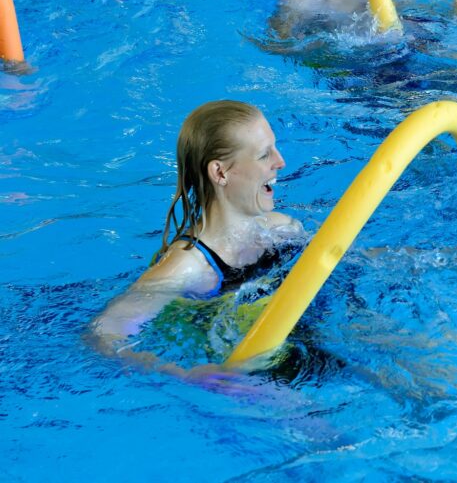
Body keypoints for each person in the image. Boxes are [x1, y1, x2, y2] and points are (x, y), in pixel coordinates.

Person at [89, 100, 303, 373]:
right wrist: (183, 375)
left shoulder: (282, 229)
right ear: (220, 172)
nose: (281, 162)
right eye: (264, 155)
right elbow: (104, 333)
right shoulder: (188, 266)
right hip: (245, 373)